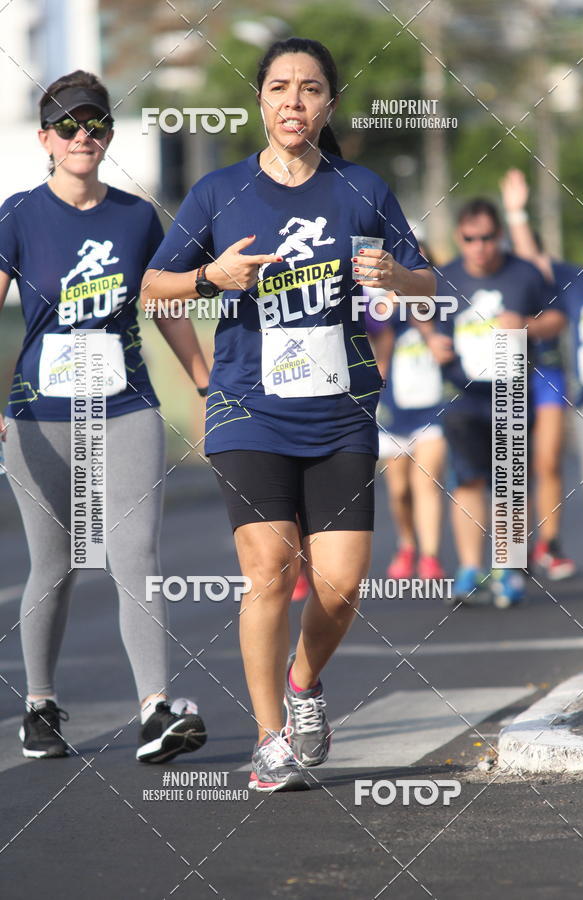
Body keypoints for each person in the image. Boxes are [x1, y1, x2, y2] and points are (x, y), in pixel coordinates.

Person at [142, 37, 435, 791]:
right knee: (269, 571)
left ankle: (303, 685)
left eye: (309, 88)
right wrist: (210, 277)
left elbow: (428, 282)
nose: (294, 101)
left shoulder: (361, 188)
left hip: (339, 413)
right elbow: (152, 287)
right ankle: (269, 737)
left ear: (329, 104)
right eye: (279, 87)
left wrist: (396, 275)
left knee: (340, 583)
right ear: (261, 101)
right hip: (248, 408)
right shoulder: (220, 191)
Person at [0, 70, 208, 763]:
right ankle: (39, 705)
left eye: (94, 125)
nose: (81, 136)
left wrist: (204, 384)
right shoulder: (18, 215)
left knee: (136, 554)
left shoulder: (137, 217)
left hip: (125, 405)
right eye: (67, 126)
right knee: (55, 564)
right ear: (45, 139)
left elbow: (165, 304)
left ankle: (155, 710)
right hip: (41, 414)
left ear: (110, 136)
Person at [426, 199, 561, 607]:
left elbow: (558, 317)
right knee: (466, 480)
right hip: (463, 394)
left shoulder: (524, 273)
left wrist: (528, 325)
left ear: (499, 235)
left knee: (510, 483)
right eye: (471, 239)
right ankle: (470, 569)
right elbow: (421, 317)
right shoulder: (445, 278)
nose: (480, 247)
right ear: (459, 237)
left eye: (487, 238)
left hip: (512, 390)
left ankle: (508, 569)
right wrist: (433, 341)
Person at [500, 169, 583, 552]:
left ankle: (550, 544)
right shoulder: (578, 282)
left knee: (549, 464)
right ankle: (519, 549)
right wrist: (517, 214)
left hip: (556, 381)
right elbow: (533, 263)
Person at [365, 242, 447, 582]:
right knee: (400, 490)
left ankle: (430, 557)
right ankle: (408, 543)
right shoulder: (382, 301)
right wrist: (397, 295)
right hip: (393, 407)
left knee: (426, 483)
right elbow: (371, 324)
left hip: (433, 407)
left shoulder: (444, 299)